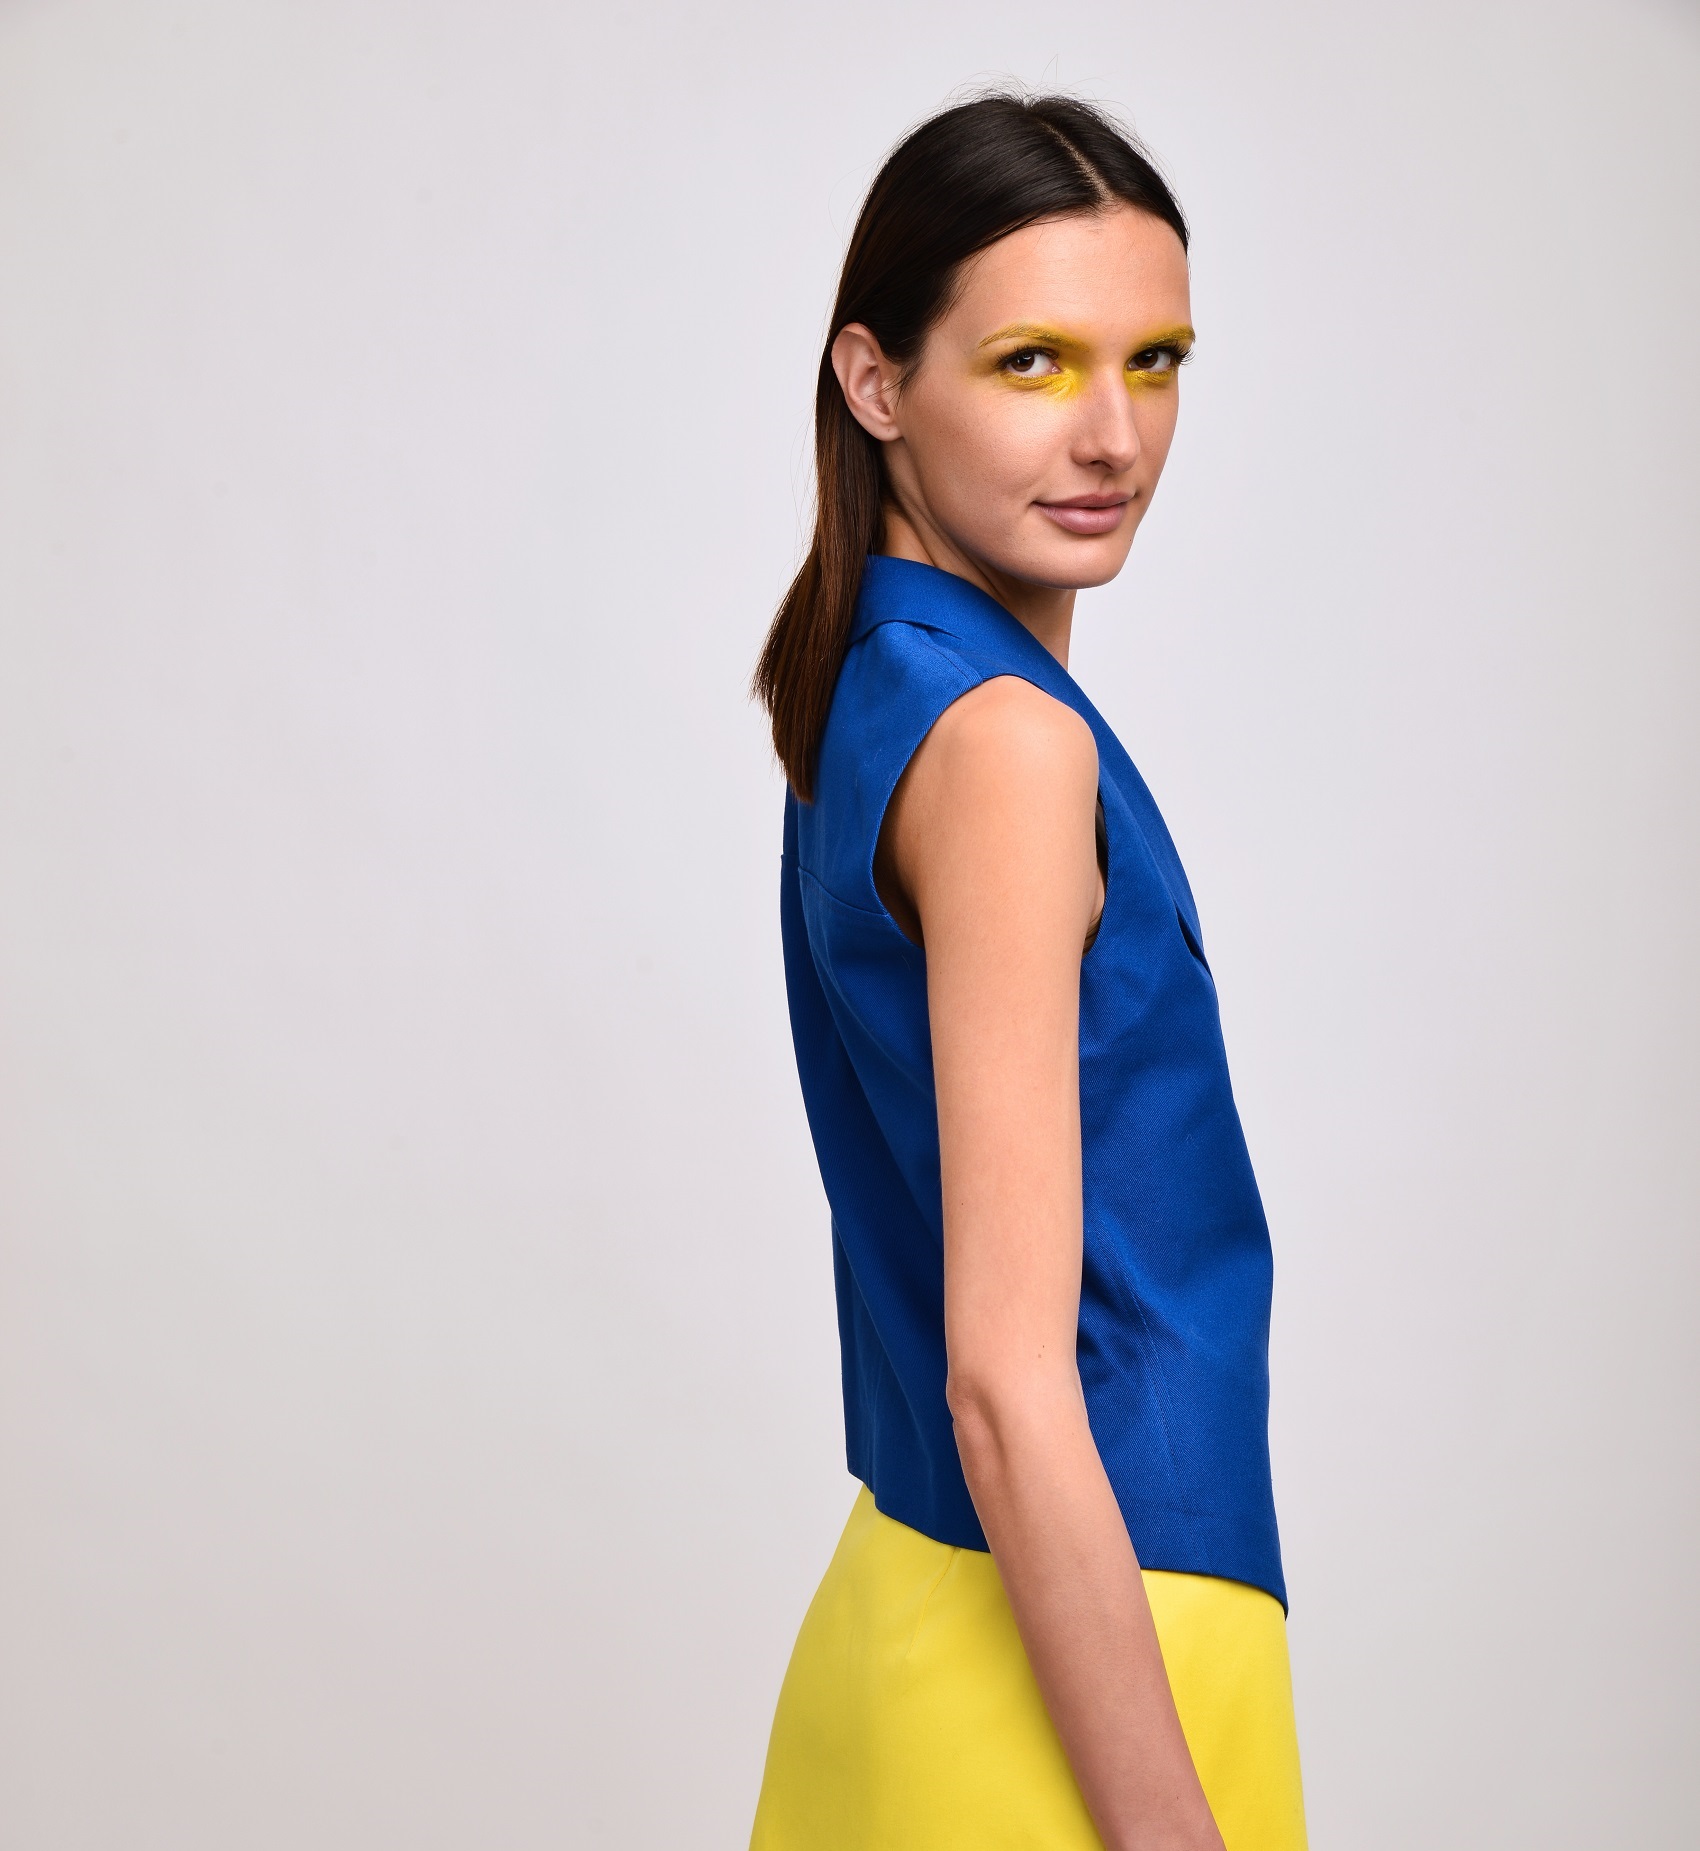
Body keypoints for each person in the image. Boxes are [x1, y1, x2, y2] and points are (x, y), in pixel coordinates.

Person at [748, 93, 1306, 1851]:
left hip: (911, 1612)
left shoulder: (876, 688)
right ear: (875, 380)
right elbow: (1005, 1378)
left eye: (1156, 362)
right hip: (1098, 1646)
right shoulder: (1003, 743)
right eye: (1034, 363)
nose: (1114, 435)